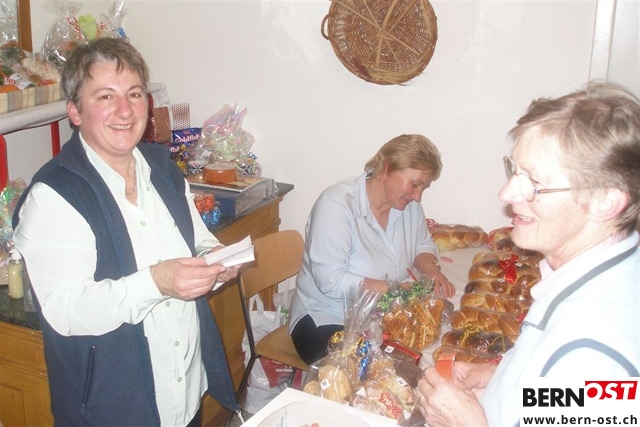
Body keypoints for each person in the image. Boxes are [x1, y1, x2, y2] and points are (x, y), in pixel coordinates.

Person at [11, 38, 240, 426]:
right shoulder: (55, 196)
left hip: (184, 395)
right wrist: (157, 282)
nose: (124, 109)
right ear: (75, 111)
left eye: (134, 93)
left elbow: (196, 239)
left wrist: (216, 258)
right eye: (105, 96)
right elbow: (66, 309)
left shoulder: (162, 169)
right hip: (113, 410)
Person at [416, 81, 640, 426]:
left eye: (535, 182)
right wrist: (502, 380)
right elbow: (567, 400)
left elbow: (587, 380)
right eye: (514, 171)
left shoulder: (593, 350)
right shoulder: (590, 279)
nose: (506, 193)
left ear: (605, 202)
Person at [288, 134, 456, 365]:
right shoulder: (337, 205)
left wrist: (430, 269)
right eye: (415, 184)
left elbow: (422, 244)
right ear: (387, 169)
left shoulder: (408, 206)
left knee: (435, 349)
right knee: (378, 370)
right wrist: (394, 290)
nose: (417, 196)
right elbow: (330, 280)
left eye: (423, 188)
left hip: (382, 316)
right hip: (328, 317)